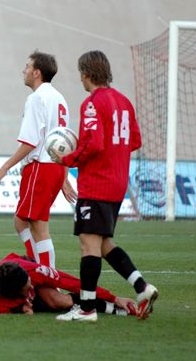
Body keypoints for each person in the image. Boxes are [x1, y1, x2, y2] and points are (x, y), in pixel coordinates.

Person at [52, 50, 158, 322]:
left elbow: (95, 143)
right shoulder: (123, 101)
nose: (80, 80)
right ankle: (142, 287)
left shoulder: (91, 103)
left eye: (80, 74)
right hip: (118, 183)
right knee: (102, 243)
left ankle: (86, 309)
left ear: (86, 73)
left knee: (88, 244)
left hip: (96, 183)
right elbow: (135, 141)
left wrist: (68, 158)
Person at [0, 51, 75, 269]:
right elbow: (64, 142)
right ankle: (38, 268)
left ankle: (48, 280)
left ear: (37, 73)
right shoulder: (59, 98)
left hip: (42, 167)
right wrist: (63, 176)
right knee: (21, 221)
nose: (23, 70)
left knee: (39, 226)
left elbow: (30, 141)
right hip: (52, 167)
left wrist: (3, 168)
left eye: (27, 66)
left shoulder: (36, 98)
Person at [0, 253, 137, 316]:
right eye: (26, 288)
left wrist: (114, 298)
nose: (30, 285)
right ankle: (105, 307)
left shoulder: (33, 271)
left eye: (30, 283)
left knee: (59, 302)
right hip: (12, 291)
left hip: (23, 264)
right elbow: (22, 309)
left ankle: (111, 306)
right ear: (15, 293)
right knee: (53, 304)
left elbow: (71, 283)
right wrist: (22, 306)